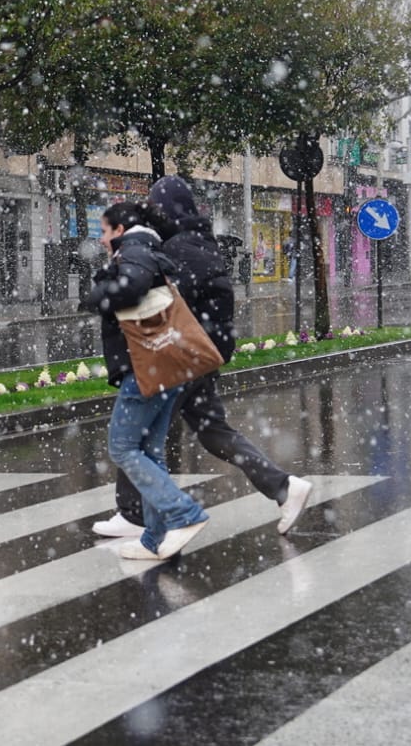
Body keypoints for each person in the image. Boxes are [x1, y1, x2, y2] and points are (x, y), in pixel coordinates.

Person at [92, 177, 314, 539]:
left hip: (180, 356)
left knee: (136, 435)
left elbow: (161, 300)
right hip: (198, 355)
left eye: (155, 205)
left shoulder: (178, 247)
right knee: (212, 432)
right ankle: (284, 487)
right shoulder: (197, 241)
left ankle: (136, 515)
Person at [82, 201, 210, 561]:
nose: (103, 239)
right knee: (150, 452)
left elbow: (132, 287)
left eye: (105, 231)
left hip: (145, 365)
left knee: (122, 448)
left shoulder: (134, 251)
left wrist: (98, 295)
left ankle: (184, 513)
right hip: (166, 364)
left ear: (120, 230)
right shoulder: (152, 250)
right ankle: (153, 538)